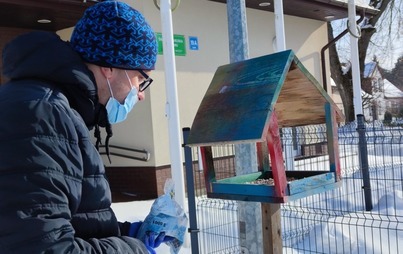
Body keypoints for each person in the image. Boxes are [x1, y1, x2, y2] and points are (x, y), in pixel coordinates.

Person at [0, 1, 170, 253]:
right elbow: (43, 247)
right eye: (140, 78)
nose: (140, 93)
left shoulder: (54, 108)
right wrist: (134, 250)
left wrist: (126, 233)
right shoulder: (43, 115)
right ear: (109, 68)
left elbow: (58, 220)